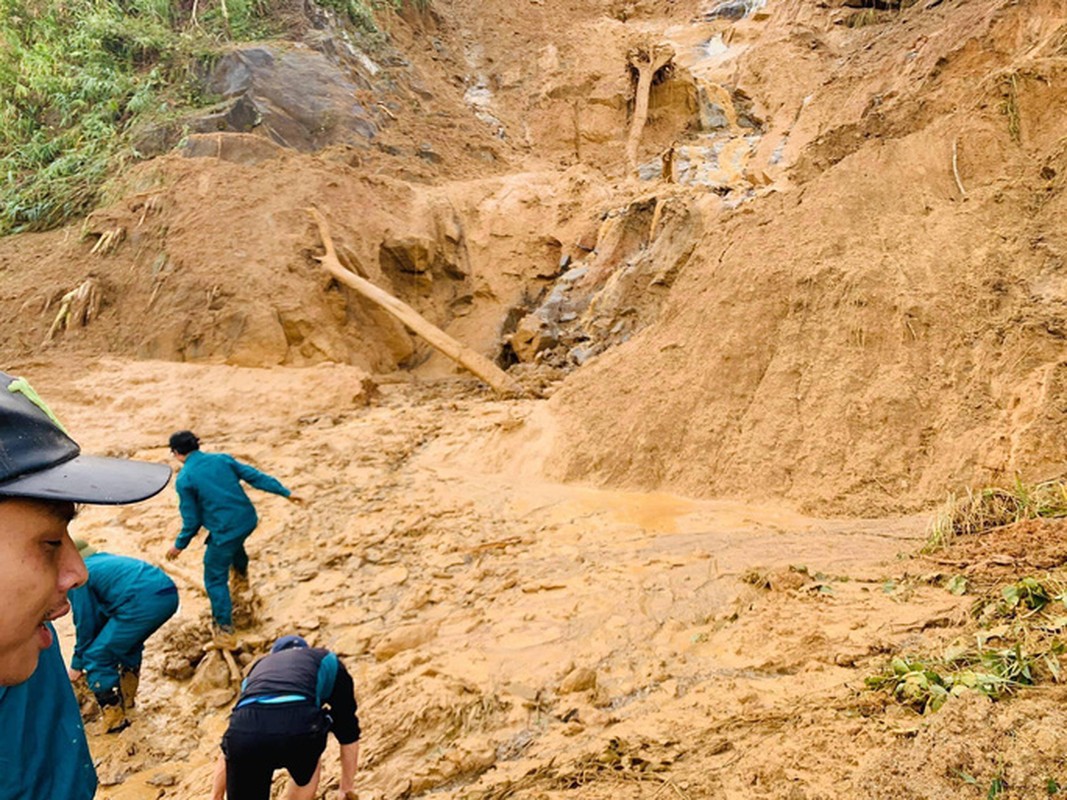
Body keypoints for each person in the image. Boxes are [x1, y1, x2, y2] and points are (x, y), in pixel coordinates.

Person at [0, 370, 171, 799]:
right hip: (161, 593)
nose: (77, 572)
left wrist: (85, 661)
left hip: (144, 600)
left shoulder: (23, 639)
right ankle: (120, 704)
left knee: (101, 652)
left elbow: (92, 625)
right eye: (51, 543)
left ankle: (116, 711)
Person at [164, 431, 303, 639]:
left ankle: (224, 630)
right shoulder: (222, 459)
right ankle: (241, 580)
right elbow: (255, 477)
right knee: (234, 544)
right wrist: (285, 492)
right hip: (247, 520)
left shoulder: (185, 479)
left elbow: (192, 521)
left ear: (176, 453)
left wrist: (179, 546)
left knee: (214, 578)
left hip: (225, 529)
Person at [210, 635, 361, 800]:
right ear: (306, 650)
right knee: (314, 730)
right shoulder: (326, 659)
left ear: (274, 654)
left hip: (245, 734)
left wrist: (215, 796)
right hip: (299, 730)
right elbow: (348, 732)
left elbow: (228, 746)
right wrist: (346, 788)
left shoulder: (258, 670)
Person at [68, 539, 180, 733]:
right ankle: (128, 700)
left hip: (143, 602)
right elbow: (102, 614)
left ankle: (114, 720)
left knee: (97, 655)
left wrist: (77, 664)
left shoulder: (79, 577)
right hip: (168, 593)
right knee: (127, 644)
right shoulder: (103, 560)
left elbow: (85, 621)